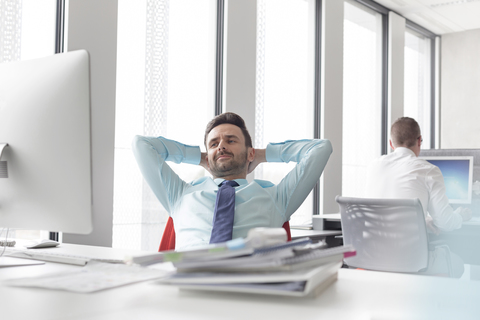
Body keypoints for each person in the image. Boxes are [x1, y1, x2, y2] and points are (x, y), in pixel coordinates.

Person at [132, 112, 332, 250]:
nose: (221, 146)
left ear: (249, 152)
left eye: (231, 140)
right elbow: (141, 144)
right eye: (214, 143)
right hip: (190, 283)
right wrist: (199, 157)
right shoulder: (179, 194)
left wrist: (260, 155)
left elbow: (321, 149)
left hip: (250, 288)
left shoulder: (277, 198)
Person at [365, 117, 471, 277]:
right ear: (419, 140)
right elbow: (446, 222)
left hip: (373, 258)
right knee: (458, 264)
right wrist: (461, 216)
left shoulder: (373, 167)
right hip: (409, 261)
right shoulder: (428, 170)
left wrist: (421, 221)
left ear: (391, 143)